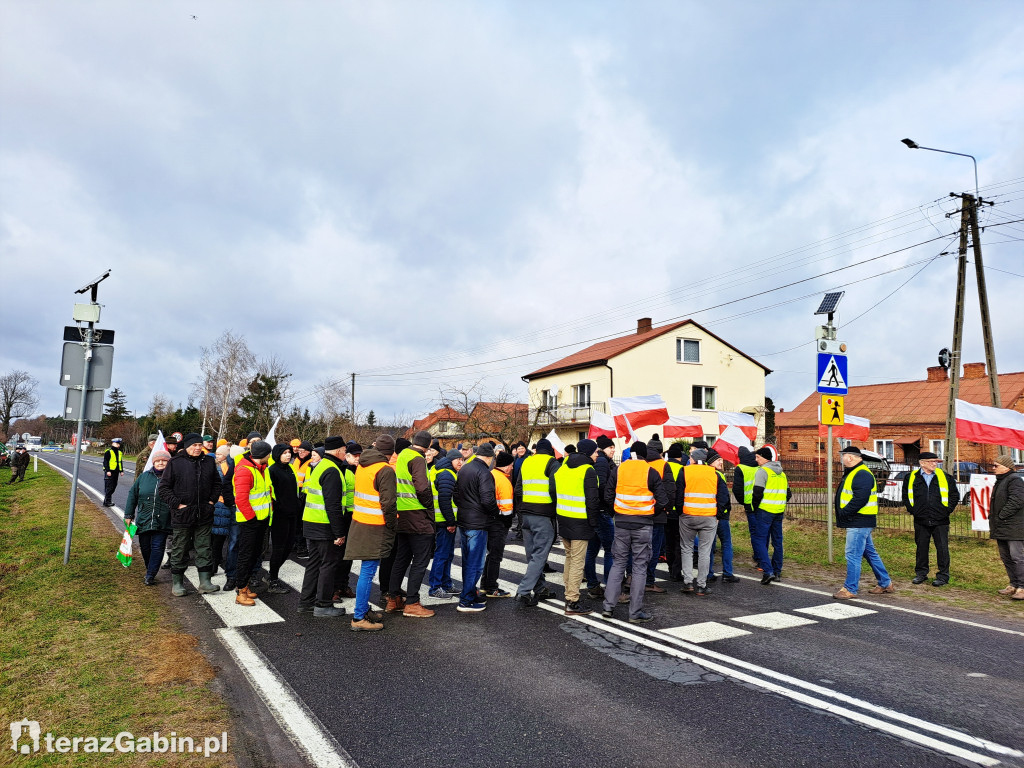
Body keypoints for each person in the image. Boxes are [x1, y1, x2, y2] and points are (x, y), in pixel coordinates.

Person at [602, 442, 667, 622]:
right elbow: (663, 500)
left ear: (631, 454)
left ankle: (608, 607)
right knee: (639, 567)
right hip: (643, 524)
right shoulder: (651, 471)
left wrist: (616, 512)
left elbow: (608, 496)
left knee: (618, 563)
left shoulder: (619, 469)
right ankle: (635, 612)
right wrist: (651, 513)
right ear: (645, 455)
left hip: (622, 523)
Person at [344, 434, 398, 631]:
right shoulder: (385, 470)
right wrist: (393, 525)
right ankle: (359, 617)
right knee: (368, 571)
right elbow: (389, 503)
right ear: (391, 452)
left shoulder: (362, 465)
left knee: (366, 570)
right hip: (376, 526)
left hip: (360, 523)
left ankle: (363, 610)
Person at [158, 433, 221, 597]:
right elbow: (164, 488)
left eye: (200, 445)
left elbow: (217, 483)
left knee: (205, 548)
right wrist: (177, 504)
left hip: (204, 514)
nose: (198, 448)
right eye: (194, 445)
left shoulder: (208, 461)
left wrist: (212, 501)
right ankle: (177, 583)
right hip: (182, 515)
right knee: (180, 549)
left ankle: (205, 582)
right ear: (186, 446)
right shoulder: (175, 462)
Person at [299, 436, 351, 618]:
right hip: (324, 526)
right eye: (345, 450)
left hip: (311, 523)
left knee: (314, 564)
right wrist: (339, 533)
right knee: (328, 564)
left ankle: (306, 602)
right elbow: (333, 505)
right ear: (338, 451)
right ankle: (323, 604)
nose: (346, 454)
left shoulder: (320, 466)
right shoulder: (332, 470)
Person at [833, 446, 894, 599]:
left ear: (851, 457)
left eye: (843, 455)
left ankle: (850, 588)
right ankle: (885, 583)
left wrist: (844, 513)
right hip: (860, 520)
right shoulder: (856, 472)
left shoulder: (861, 474)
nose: (842, 458)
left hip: (858, 521)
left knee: (852, 554)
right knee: (869, 553)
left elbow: (860, 499)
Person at [388, 430, 437, 617]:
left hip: (403, 513)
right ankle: (412, 603)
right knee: (420, 560)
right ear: (428, 445)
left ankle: (393, 599)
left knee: (402, 558)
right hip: (417, 515)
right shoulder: (418, 459)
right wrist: (429, 509)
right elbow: (422, 488)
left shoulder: (402, 456)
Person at [551, 438, 600, 615]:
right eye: (595, 451)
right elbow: (592, 501)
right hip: (580, 521)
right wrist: (594, 523)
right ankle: (572, 601)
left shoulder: (563, 465)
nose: (597, 454)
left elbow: (553, 490)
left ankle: (568, 594)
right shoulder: (588, 470)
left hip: (563, 518)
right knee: (578, 562)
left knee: (570, 558)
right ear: (588, 453)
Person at [902, 451, 960, 587]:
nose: (935, 464)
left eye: (936, 461)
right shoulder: (911, 478)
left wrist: (946, 511)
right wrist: (914, 511)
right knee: (921, 547)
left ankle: (943, 576)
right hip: (921, 519)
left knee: (942, 549)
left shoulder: (945, 477)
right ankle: (921, 574)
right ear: (922, 463)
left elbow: (954, 496)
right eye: (931, 461)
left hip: (941, 520)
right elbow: (906, 496)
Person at [677, 448, 729, 596]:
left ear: (693, 459)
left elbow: (679, 493)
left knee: (686, 548)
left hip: (688, 516)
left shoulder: (684, 471)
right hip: (709, 517)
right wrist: (717, 514)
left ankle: (688, 582)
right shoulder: (714, 474)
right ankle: (701, 585)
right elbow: (723, 497)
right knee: (705, 551)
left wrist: (680, 511)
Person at [513, 438, 559, 605]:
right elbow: (554, 489)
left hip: (525, 514)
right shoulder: (552, 463)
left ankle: (540, 588)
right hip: (543, 514)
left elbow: (518, 488)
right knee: (539, 555)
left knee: (533, 555)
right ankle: (523, 591)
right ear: (550, 450)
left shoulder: (526, 462)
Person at [455, 442, 499, 612]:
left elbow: (455, 495)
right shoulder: (484, 472)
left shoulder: (464, 469)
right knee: (475, 563)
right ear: (489, 458)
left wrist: (466, 507)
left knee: (468, 561)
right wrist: (494, 513)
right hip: (478, 522)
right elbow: (488, 500)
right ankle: (466, 600)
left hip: (464, 520)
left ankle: (470, 594)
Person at [231, 441, 274, 606]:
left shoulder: (260, 469)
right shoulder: (245, 471)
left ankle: (245, 586)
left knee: (254, 555)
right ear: (263, 455)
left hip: (260, 519)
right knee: (246, 556)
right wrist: (252, 519)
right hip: (250, 521)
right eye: (268, 454)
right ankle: (241, 591)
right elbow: (241, 499)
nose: (270, 456)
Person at [124, 449, 172, 586]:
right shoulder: (144, 477)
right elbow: (132, 494)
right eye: (158, 461)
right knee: (145, 547)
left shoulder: (172, 478)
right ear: (153, 462)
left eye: (164, 460)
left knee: (157, 546)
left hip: (163, 519)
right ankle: (149, 568)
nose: (161, 463)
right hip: (144, 518)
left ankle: (150, 574)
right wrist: (129, 514)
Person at [751, 445, 790, 585]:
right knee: (777, 541)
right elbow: (788, 494)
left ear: (764, 458)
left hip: (765, 511)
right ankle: (777, 571)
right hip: (779, 511)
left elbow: (757, 493)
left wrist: (755, 507)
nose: (756, 460)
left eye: (758, 457)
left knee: (759, 540)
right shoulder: (782, 473)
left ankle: (768, 571)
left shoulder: (763, 471)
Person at [584, 435, 616, 598]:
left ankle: (592, 585)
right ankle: (610, 587)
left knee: (592, 550)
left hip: (594, 511)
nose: (613, 450)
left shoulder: (600, 461)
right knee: (611, 550)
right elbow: (602, 487)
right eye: (611, 448)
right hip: (602, 512)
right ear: (604, 448)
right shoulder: (602, 462)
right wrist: (610, 504)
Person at [427, 449, 462, 599]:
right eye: (457, 459)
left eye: (462, 459)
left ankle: (446, 584)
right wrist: (450, 521)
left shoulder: (441, 470)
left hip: (442, 519)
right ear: (451, 460)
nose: (461, 462)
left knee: (447, 554)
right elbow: (444, 499)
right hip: (443, 520)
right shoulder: (447, 473)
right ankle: (435, 587)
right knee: (442, 554)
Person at [481, 450, 516, 599]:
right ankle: (491, 587)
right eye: (512, 465)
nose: (513, 468)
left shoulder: (491, 475)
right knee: (496, 555)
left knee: (490, 554)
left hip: (488, 520)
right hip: (499, 522)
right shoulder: (503, 481)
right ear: (507, 466)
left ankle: (485, 584)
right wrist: (507, 523)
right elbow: (507, 508)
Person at [267, 444, 302, 594]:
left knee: (288, 547)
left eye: (289, 452)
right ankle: (272, 580)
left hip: (292, 513)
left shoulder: (291, 468)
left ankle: (271, 575)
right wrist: (279, 506)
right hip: (279, 515)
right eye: (284, 453)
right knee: (279, 548)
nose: (288, 455)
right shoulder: (272, 470)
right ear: (277, 454)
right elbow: (271, 492)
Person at [989, 454, 1024, 600]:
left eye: (996, 465)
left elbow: (1017, 500)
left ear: (1007, 467)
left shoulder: (1014, 480)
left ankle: (1022, 587)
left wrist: (1002, 515)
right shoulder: (1001, 480)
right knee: (1006, 557)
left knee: (1018, 557)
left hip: (1014, 528)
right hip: (1002, 527)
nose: (993, 468)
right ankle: (1013, 584)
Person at [643, 435, 675, 594]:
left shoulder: (639, 464)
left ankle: (632, 578)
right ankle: (649, 581)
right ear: (661, 451)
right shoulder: (663, 465)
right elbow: (669, 490)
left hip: (638, 513)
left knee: (638, 549)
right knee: (654, 549)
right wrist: (666, 508)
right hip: (657, 514)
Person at [707, 450, 741, 584]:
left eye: (721, 459)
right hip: (720, 516)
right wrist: (721, 515)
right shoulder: (718, 475)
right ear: (710, 463)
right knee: (726, 543)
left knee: (709, 545)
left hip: (709, 515)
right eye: (717, 460)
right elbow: (723, 498)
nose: (721, 462)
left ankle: (708, 573)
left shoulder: (706, 475)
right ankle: (727, 573)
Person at [211, 444, 240, 590]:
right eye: (216, 454)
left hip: (229, 506)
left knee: (227, 539)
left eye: (219, 454)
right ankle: (215, 564)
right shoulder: (216, 468)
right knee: (218, 538)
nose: (217, 456)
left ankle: (219, 565)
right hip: (221, 505)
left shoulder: (232, 467)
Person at [732, 445, 760, 565]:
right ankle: (763, 555)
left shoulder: (740, 468)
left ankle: (758, 556)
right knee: (763, 532)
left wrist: (743, 501)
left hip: (749, 504)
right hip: (762, 504)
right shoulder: (759, 465)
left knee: (754, 532)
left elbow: (737, 490)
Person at [102, 437, 124, 506]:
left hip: (116, 472)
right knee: (109, 487)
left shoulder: (119, 452)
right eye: (117, 443)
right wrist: (107, 470)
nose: (118, 445)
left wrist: (121, 471)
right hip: (110, 472)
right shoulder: (108, 452)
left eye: (119, 444)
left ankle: (107, 501)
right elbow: (105, 462)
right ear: (112, 443)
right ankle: (107, 502)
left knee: (114, 486)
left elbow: (120, 462)